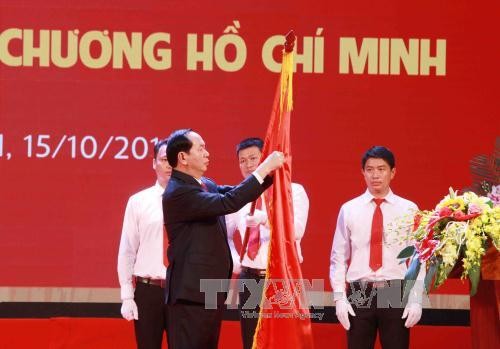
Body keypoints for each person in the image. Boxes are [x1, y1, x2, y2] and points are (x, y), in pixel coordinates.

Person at [162, 129, 284, 349]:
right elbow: (229, 202)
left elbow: (237, 192)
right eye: (200, 148)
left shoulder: (204, 184)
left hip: (209, 293)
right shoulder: (178, 192)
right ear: (183, 157)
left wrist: (271, 174)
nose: (207, 153)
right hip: (190, 295)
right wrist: (265, 167)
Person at [329, 146, 423, 349]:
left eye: (381, 169)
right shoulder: (349, 209)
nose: (375, 175)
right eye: (370, 169)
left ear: (393, 172)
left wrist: (416, 299)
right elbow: (338, 258)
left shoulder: (409, 209)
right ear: (363, 172)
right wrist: (339, 299)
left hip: (395, 290)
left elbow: (419, 257)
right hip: (360, 291)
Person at [225, 137, 309, 349]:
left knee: (282, 341)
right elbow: (224, 235)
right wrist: (236, 259)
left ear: (266, 158)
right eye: (242, 160)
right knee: (252, 340)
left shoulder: (292, 191)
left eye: (254, 158)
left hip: (282, 277)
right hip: (250, 278)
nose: (248, 164)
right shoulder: (239, 195)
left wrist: (266, 219)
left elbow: (296, 231)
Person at [117, 138, 171, 349]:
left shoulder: (195, 200)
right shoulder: (138, 201)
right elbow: (127, 250)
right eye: (164, 159)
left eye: (173, 160)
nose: (169, 165)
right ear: (153, 162)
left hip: (181, 289)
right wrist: (127, 295)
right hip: (149, 290)